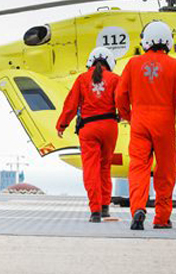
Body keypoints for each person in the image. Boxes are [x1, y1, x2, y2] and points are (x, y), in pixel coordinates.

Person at [116, 20, 176, 230]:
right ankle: (161, 218)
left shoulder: (133, 64)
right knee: (166, 172)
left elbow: (120, 95)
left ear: (145, 41)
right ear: (168, 41)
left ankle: (138, 209)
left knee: (138, 168)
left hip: (140, 123)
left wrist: (128, 116)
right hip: (165, 125)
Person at [56, 47, 121, 223]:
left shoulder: (82, 79)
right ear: (109, 62)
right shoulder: (115, 79)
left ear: (91, 62)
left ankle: (95, 211)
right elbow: (123, 101)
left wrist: (61, 124)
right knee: (105, 167)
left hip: (88, 128)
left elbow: (70, 105)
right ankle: (105, 207)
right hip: (109, 127)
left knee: (91, 168)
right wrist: (127, 117)